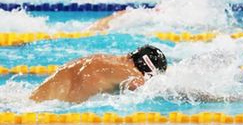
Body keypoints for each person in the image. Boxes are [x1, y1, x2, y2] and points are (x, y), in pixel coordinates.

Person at [30, 45, 167, 105]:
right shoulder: (131, 73)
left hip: (34, 101)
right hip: (53, 115)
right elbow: (148, 92)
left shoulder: (103, 58)